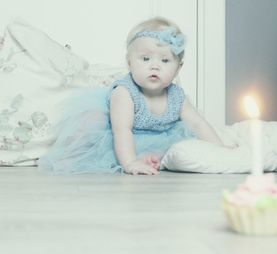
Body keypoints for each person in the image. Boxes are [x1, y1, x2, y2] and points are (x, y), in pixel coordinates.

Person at [39, 17, 223, 175]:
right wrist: (129, 163)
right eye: (145, 59)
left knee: (180, 145)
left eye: (165, 60)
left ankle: (149, 158)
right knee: (91, 123)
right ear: (129, 62)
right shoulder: (125, 92)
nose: (155, 66)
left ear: (178, 68)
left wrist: (221, 150)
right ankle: (75, 156)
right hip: (119, 136)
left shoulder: (177, 96)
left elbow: (198, 123)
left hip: (152, 137)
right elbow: (122, 131)